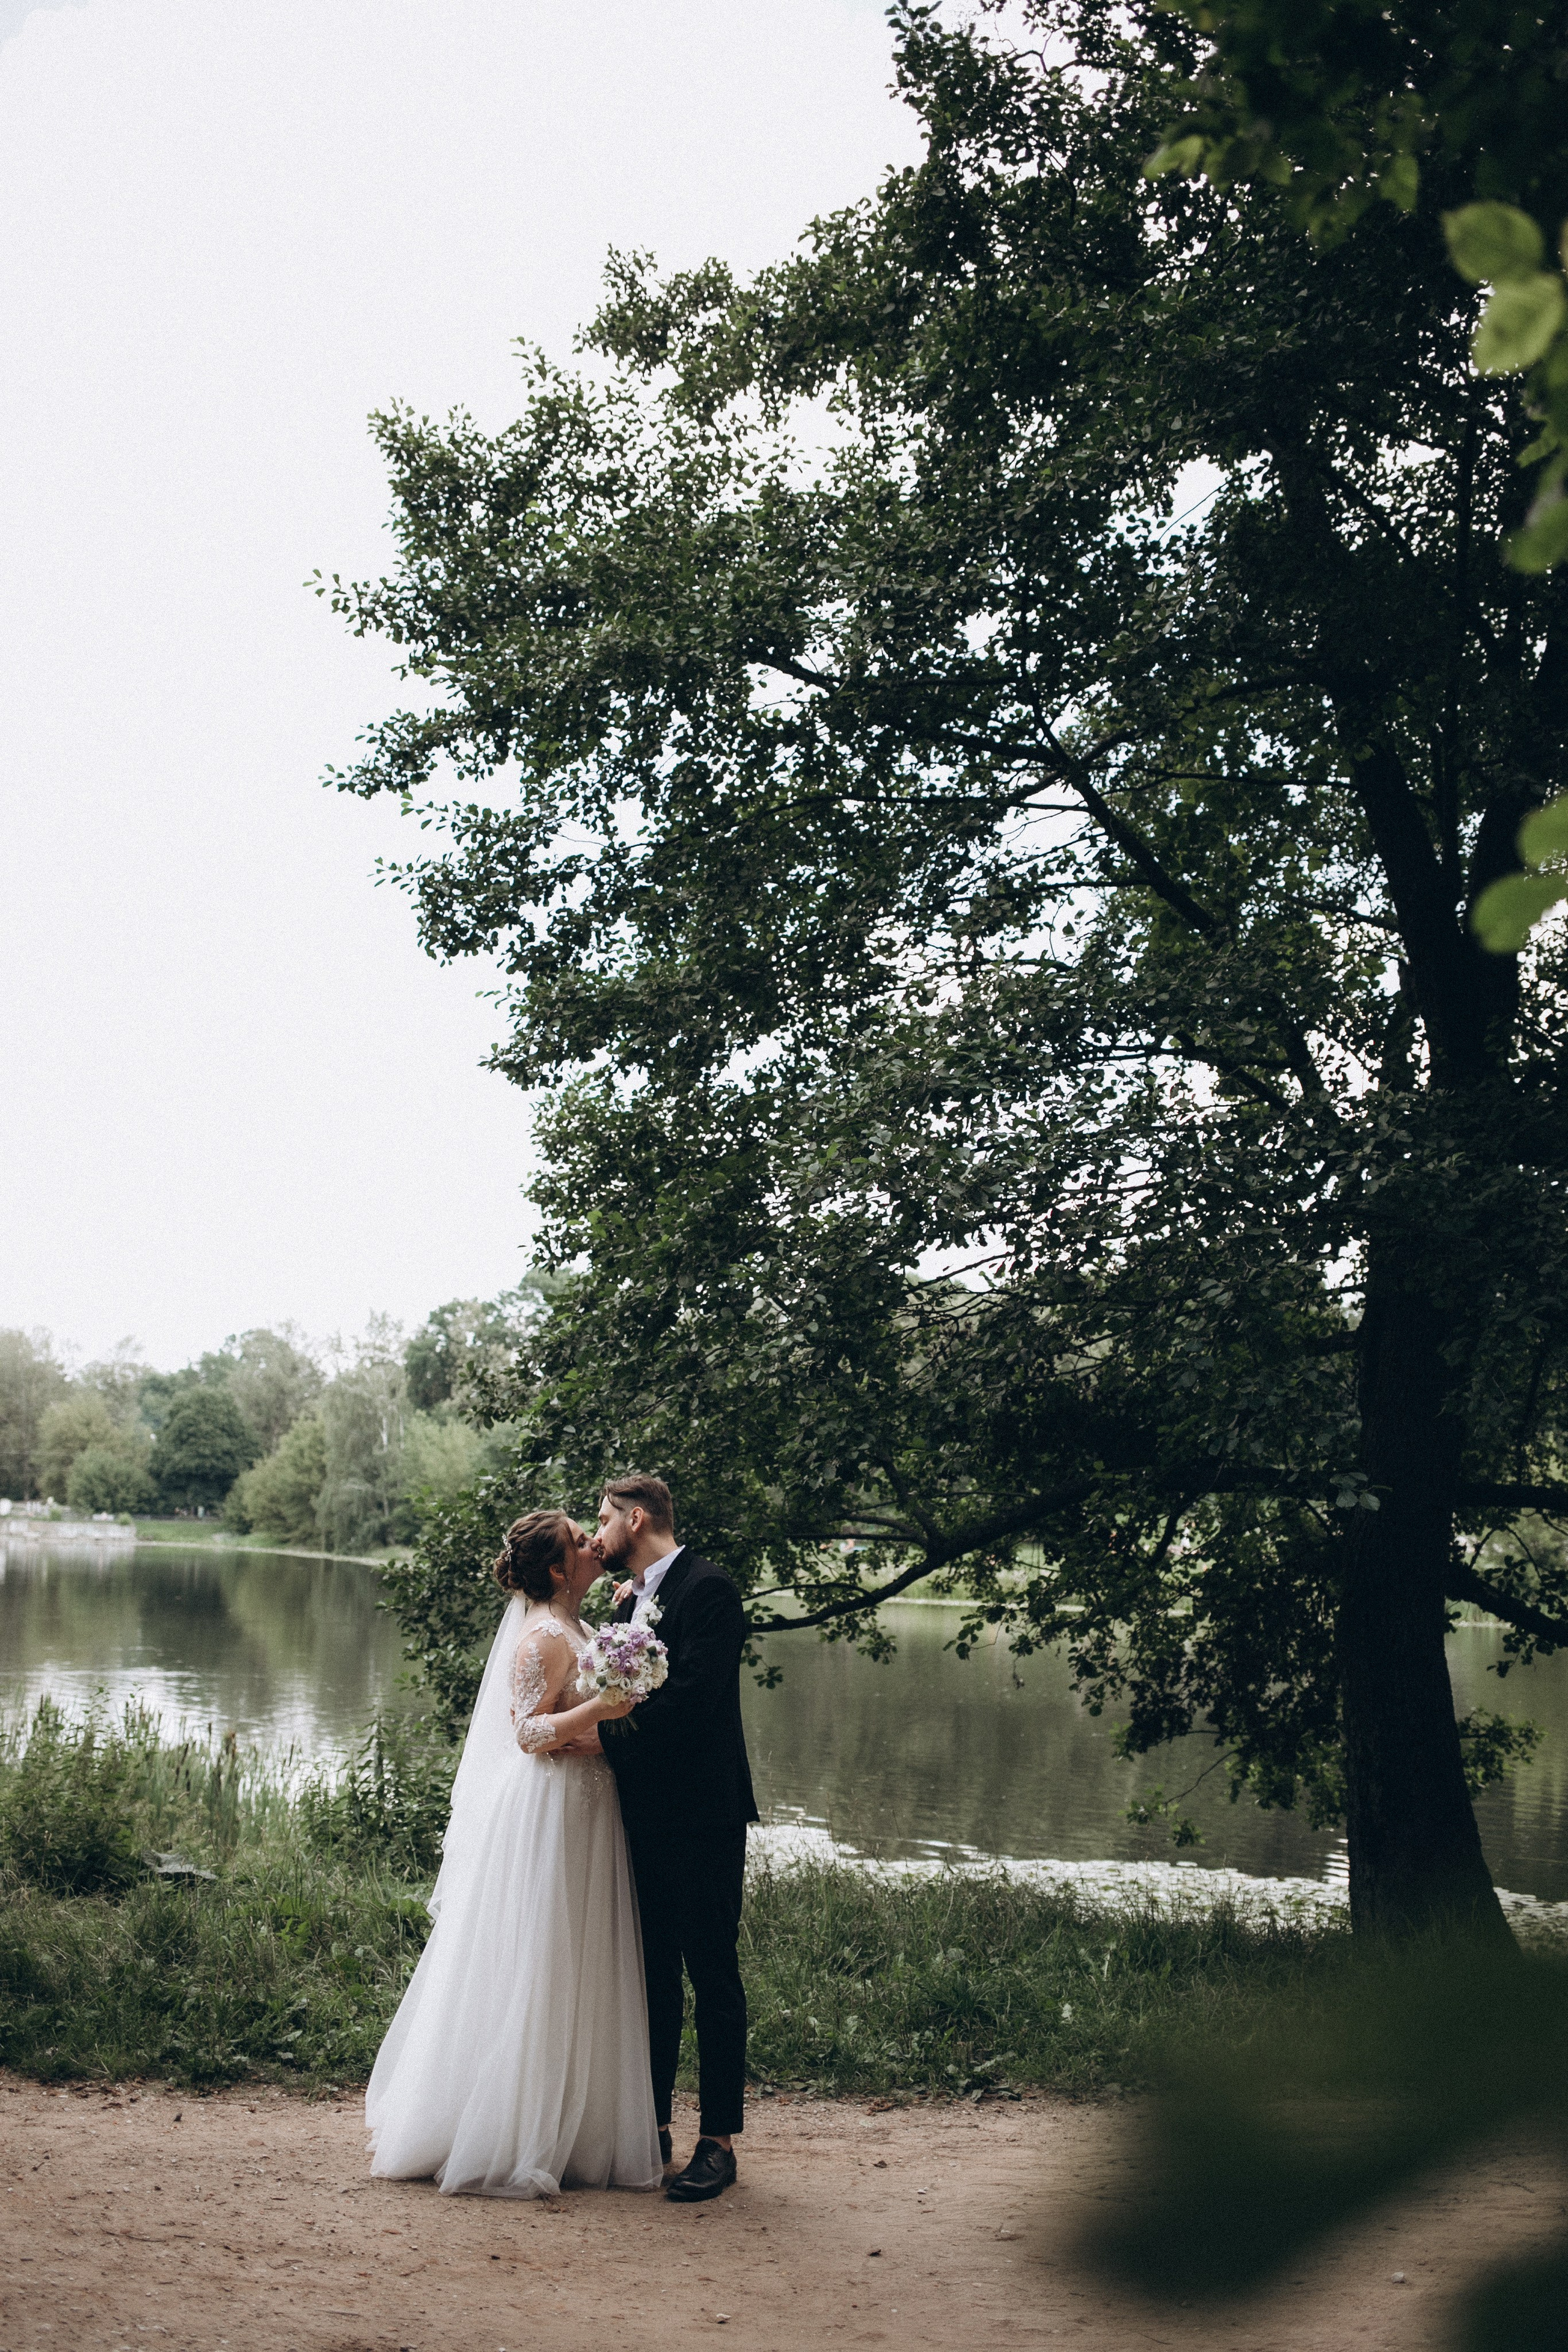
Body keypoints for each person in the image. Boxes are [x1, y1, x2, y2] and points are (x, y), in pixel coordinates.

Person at [364, 1510, 662, 2199]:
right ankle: (510, 2128)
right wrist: (602, 1710)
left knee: (580, 1958)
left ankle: (581, 2129)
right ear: (559, 1571)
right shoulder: (542, 1637)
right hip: (550, 1812)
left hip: (588, 1811)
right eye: (579, 1541)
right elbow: (528, 1733)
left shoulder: (584, 1628)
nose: (594, 1543)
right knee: (541, 1958)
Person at [561, 1472, 758, 2204]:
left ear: (636, 1519)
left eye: (603, 1518)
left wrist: (603, 1743)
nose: (597, 1532)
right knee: (648, 1975)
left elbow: (690, 1703)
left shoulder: (711, 1590)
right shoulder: (634, 1598)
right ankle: (651, 2127)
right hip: (642, 1814)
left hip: (702, 1814)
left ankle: (718, 2142)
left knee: (712, 1971)